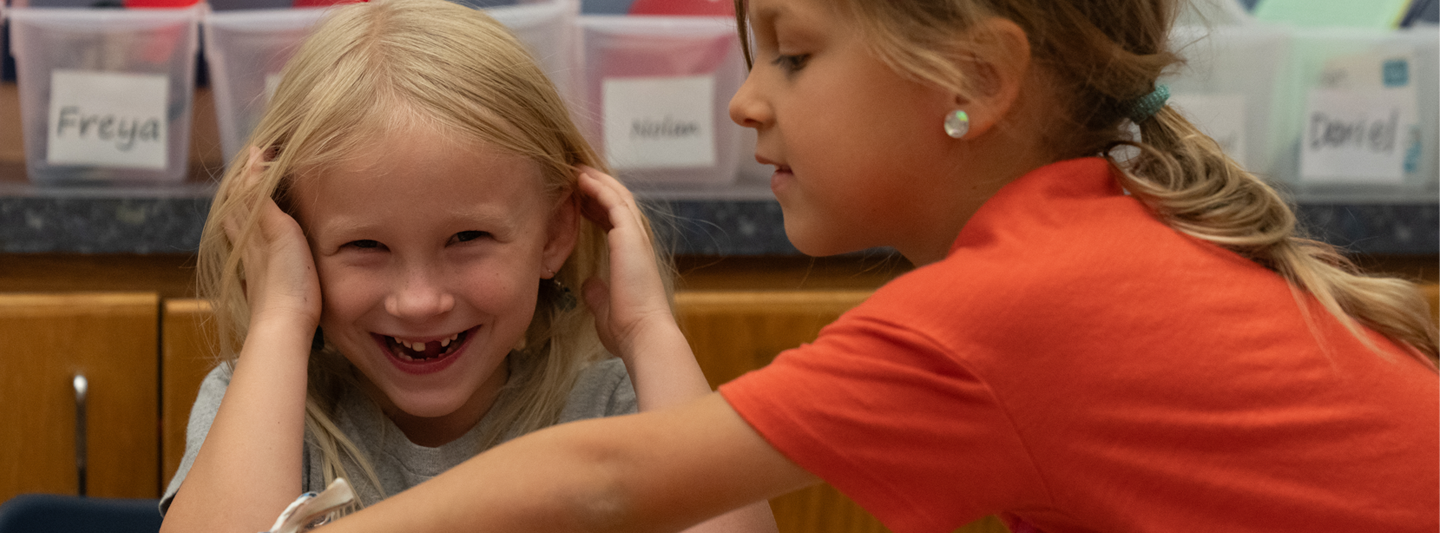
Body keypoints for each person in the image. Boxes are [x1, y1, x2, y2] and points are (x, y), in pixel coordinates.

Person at [315, 0, 1440, 531]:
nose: (746, 100)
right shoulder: (1091, 234)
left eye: (795, 58)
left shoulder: (1004, 309)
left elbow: (607, 478)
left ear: (974, 81)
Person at [156, 1, 778, 532]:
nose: (420, 300)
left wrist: (648, 330)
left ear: (556, 230)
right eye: (365, 248)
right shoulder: (265, 405)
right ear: (292, 241)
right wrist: (280, 317)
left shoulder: (618, 405)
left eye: (467, 237)